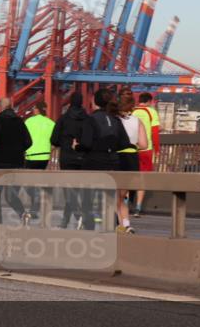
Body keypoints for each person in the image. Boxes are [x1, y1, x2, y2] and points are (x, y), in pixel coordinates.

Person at [76, 88, 132, 231]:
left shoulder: (91, 119)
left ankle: (88, 225)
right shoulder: (115, 119)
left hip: (93, 162)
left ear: (94, 101)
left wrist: (77, 146)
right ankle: (112, 226)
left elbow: (87, 143)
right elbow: (124, 143)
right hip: (113, 162)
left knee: (88, 196)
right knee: (110, 198)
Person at [0, 97, 31, 223]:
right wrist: (18, 150)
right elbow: (29, 142)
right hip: (17, 163)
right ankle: (23, 214)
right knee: (11, 195)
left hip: (0, 163)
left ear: (1, 107)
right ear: (12, 106)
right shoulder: (20, 122)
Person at [51, 92, 89, 228]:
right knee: (77, 190)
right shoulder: (87, 119)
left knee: (69, 190)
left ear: (70, 103)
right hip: (83, 157)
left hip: (66, 157)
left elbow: (54, 139)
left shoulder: (63, 119)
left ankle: (76, 216)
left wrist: (64, 142)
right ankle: (66, 221)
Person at [116, 92, 148, 233]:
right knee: (124, 195)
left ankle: (121, 225)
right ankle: (126, 223)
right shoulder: (137, 121)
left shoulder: (115, 120)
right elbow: (144, 144)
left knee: (116, 196)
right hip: (132, 158)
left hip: (118, 157)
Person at [23, 100, 55, 220]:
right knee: (37, 181)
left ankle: (34, 206)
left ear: (36, 109)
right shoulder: (51, 123)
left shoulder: (29, 121)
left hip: (31, 155)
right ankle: (35, 207)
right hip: (45, 156)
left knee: (29, 183)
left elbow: (23, 137)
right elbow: (54, 140)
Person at [131, 92, 161, 217]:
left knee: (128, 177)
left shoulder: (132, 112)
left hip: (131, 150)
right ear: (149, 101)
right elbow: (155, 132)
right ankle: (138, 207)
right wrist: (157, 150)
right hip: (146, 150)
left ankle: (125, 203)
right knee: (143, 179)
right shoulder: (151, 112)